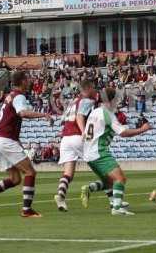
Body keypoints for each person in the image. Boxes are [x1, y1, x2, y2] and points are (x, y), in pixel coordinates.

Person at [80, 87, 151, 215]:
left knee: (108, 182)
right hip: (99, 152)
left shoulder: (94, 111)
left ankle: (109, 199)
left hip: (88, 153)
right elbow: (123, 133)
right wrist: (143, 129)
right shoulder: (107, 113)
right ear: (111, 100)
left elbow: (87, 133)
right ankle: (117, 208)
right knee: (120, 179)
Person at [0, 71, 53, 217]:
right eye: (27, 79)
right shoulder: (19, 96)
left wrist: (17, 141)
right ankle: (27, 210)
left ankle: (26, 209)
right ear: (22, 81)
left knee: (15, 179)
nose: (30, 81)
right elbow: (22, 113)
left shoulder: (10, 96)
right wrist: (43, 114)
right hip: (6, 140)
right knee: (30, 172)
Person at [54, 80, 97, 212]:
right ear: (88, 88)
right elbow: (79, 117)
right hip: (78, 137)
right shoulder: (87, 101)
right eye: (93, 89)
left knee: (68, 174)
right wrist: (84, 131)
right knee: (103, 169)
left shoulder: (73, 102)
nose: (95, 91)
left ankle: (60, 195)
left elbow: (64, 119)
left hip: (65, 139)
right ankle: (115, 201)